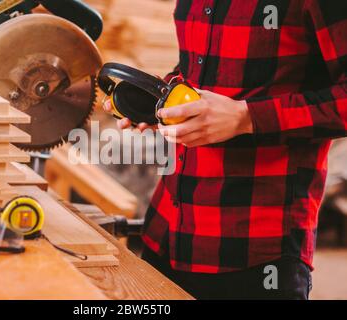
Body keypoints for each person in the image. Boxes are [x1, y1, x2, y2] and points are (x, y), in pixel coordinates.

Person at [103, 0, 346, 299]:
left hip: (255, 254)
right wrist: (160, 98)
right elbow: (200, 66)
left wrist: (247, 118)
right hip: (164, 235)